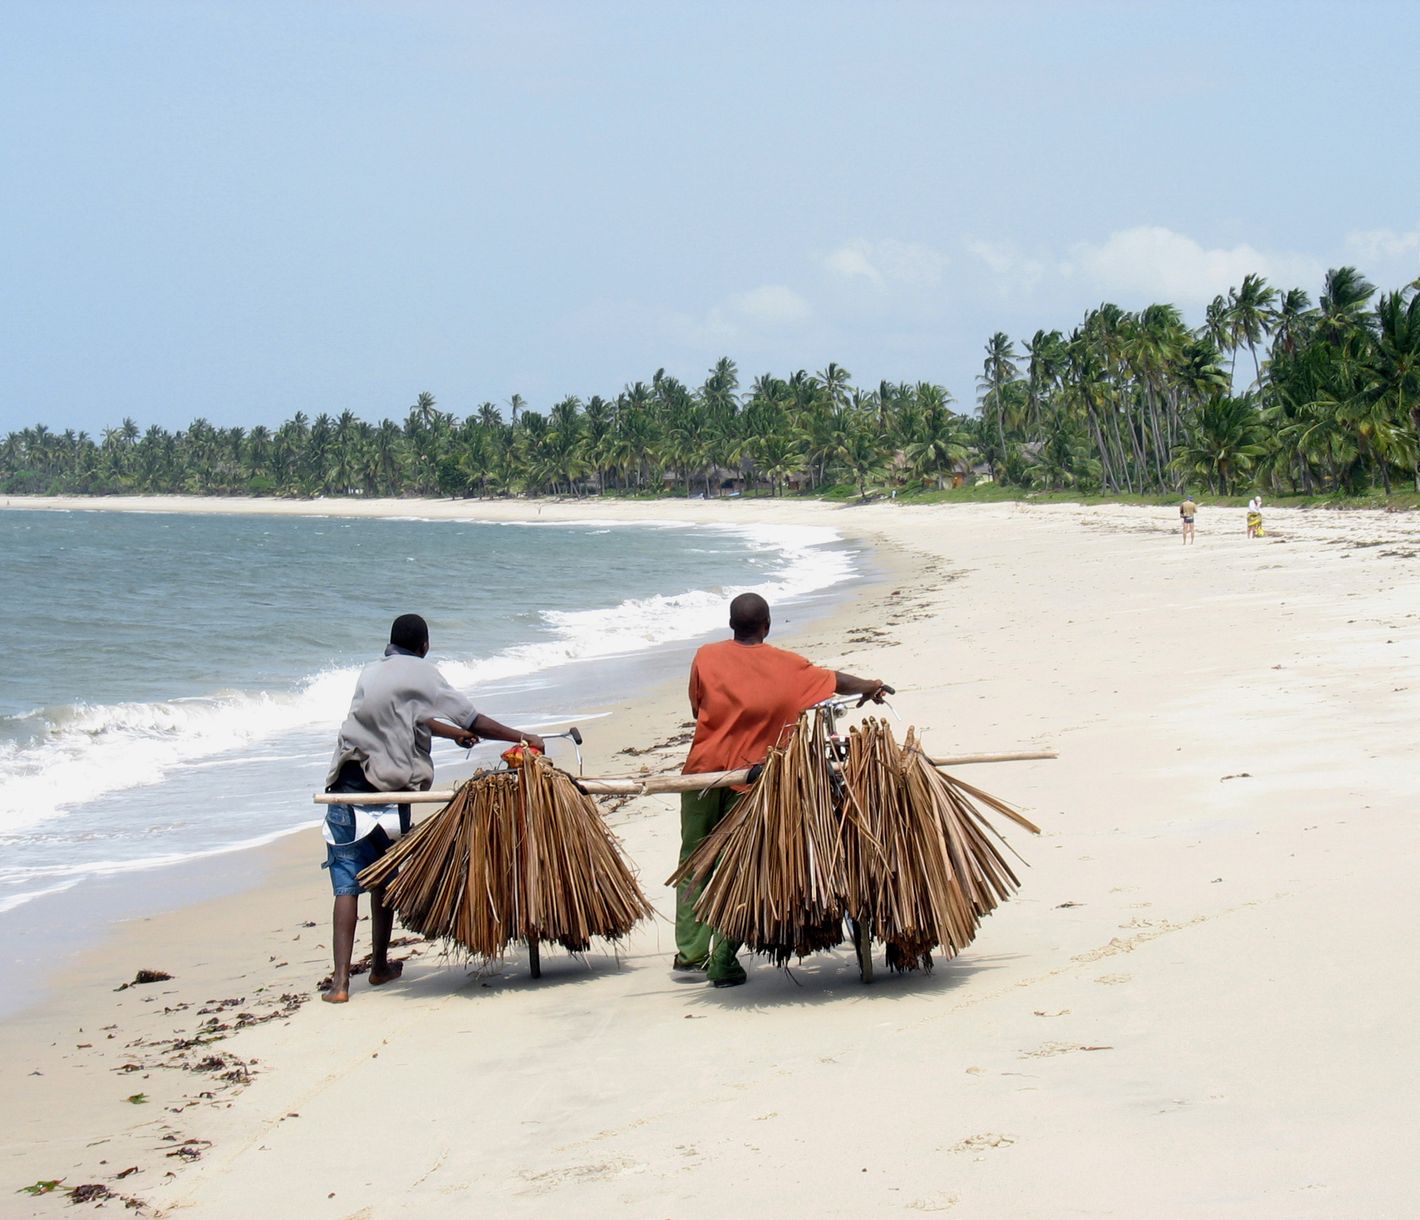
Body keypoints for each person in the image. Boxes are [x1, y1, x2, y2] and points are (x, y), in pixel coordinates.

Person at [321, 613, 545, 1003]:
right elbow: (474, 718)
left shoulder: (370, 672)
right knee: (384, 880)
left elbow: (406, 716)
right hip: (390, 794)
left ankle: (340, 984)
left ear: (390, 643)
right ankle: (377, 967)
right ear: (424, 646)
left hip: (346, 787)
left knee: (347, 885)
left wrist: (451, 733)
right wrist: (522, 736)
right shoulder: (425, 675)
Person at [675, 592, 892, 988]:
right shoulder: (790, 667)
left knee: (695, 859)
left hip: (701, 775)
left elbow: (697, 709)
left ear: (730, 625)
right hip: (754, 783)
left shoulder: (705, 656)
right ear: (767, 626)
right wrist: (872, 685)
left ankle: (689, 953)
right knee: (743, 866)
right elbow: (836, 681)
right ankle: (723, 958)